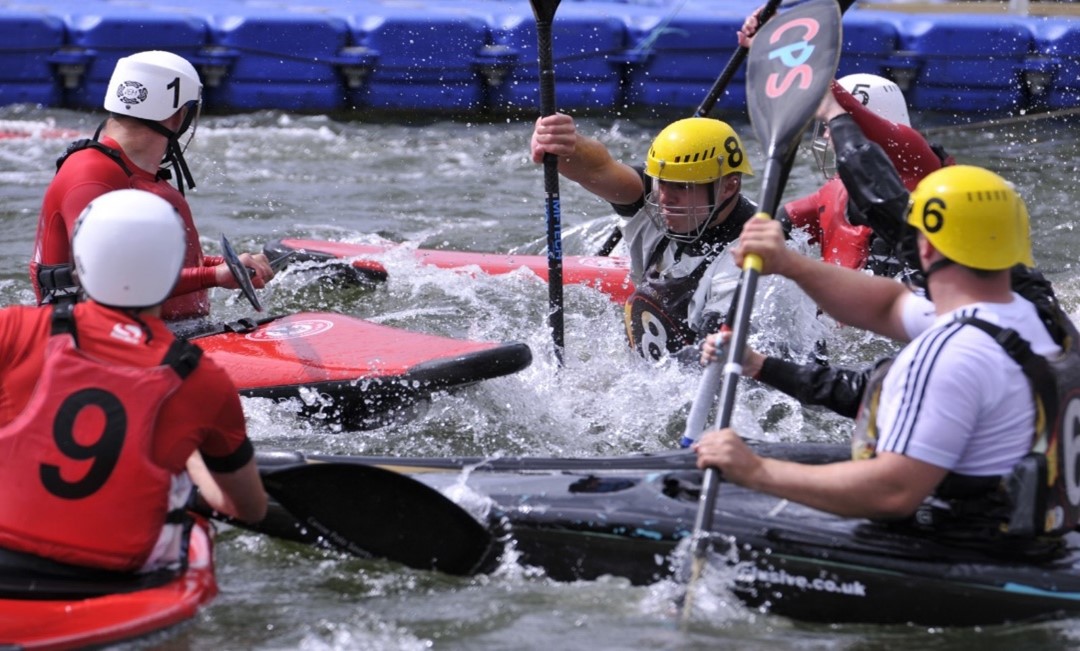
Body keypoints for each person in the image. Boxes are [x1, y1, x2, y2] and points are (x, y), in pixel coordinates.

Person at [692, 157, 1080, 551]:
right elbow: (888, 305)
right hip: (1041, 534)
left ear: (925, 248)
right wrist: (790, 266)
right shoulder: (1038, 320)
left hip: (963, 553)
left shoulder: (950, 353)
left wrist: (756, 471)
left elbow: (892, 493)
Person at [0, 189, 267, 575]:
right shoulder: (200, 379)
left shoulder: (14, 329)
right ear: (174, 269)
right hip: (118, 581)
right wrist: (190, 460)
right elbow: (248, 509)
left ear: (80, 262)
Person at [531, 114, 796, 361]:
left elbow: (716, 367)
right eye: (663, 181)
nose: (665, 198)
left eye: (683, 185)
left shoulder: (751, 258)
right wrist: (565, 143)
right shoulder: (656, 203)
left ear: (729, 186)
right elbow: (597, 168)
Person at [31, 50, 274, 319]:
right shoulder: (89, 172)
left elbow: (153, 264)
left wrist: (230, 266)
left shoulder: (147, 178)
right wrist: (214, 276)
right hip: (94, 344)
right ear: (178, 116)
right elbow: (106, 277)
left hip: (167, 336)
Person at [739, 10, 949, 275]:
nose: (830, 135)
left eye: (835, 123)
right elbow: (764, 225)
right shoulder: (828, 195)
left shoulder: (917, 161)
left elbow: (849, 110)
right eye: (828, 125)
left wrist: (782, 46)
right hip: (838, 314)